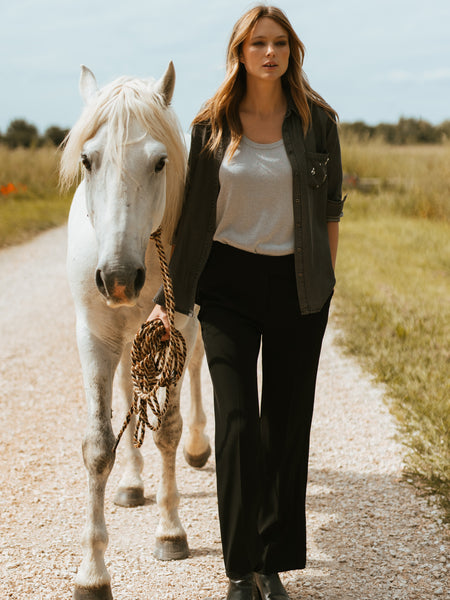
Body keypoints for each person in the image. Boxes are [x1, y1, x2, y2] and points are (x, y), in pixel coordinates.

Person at [149, 5, 345, 599]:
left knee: (285, 426)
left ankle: (272, 562)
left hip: (296, 283)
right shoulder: (210, 124)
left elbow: (331, 210)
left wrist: (325, 282)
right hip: (227, 285)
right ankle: (240, 569)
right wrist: (170, 300)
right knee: (235, 424)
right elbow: (193, 221)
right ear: (239, 52)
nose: (269, 53)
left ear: (292, 51)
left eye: (279, 43)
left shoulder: (318, 123)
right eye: (258, 43)